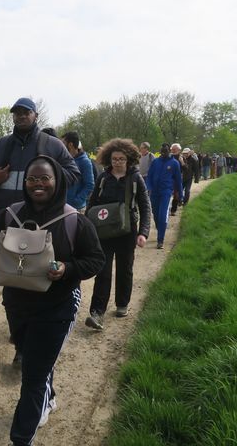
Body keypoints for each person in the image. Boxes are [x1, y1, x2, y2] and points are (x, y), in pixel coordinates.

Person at [0, 155, 104, 446]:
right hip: (16, 305)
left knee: (32, 377)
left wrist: (68, 269)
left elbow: (96, 260)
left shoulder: (74, 220)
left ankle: (21, 438)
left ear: (57, 182)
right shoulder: (9, 215)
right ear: (25, 183)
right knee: (34, 358)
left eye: (45, 178)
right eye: (32, 179)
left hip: (57, 307)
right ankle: (50, 397)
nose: (38, 184)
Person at [0, 97, 80, 359]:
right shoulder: (1, 146)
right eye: (17, 113)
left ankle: (37, 340)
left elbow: (73, 172)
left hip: (43, 224)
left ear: (35, 115)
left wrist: (49, 181)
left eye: (26, 112)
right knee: (13, 289)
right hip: (10, 221)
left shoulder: (51, 144)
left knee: (37, 283)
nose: (20, 116)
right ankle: (21, 343)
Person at [84, 138, 151, 330]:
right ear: (109, 159)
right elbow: (92, 203)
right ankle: (97, 313)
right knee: (102, 272)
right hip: (104, 232)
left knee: (125, 269)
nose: (118, 162)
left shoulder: (136, 179)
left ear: (129, 159)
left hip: (127, 232)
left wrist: (143, 232)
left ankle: (122, 304)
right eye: (114, 159)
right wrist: (88, 227)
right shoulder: (103, 178)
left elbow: (145, 207)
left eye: (121, 159)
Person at [146, 143, 183, 249]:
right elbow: (149, 176)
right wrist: (148, 187)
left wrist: (180, 195)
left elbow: (178, 180)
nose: (164, 153)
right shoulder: (155, 162)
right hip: (154, 193)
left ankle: (160, 240)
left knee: (162, 215)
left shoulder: (174, 163)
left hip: (166, 192)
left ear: (169, 151)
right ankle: (160, 228)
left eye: (166, 151)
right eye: (162, 151)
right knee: (156, 214)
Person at [62, 131, 94, 211]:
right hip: (63, 206)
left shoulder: (85, 162)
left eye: (63, 143)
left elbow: (89, 185)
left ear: (70, 145)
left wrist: (77, 201)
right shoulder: (64, 160)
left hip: (77, 208)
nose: (61, 146)